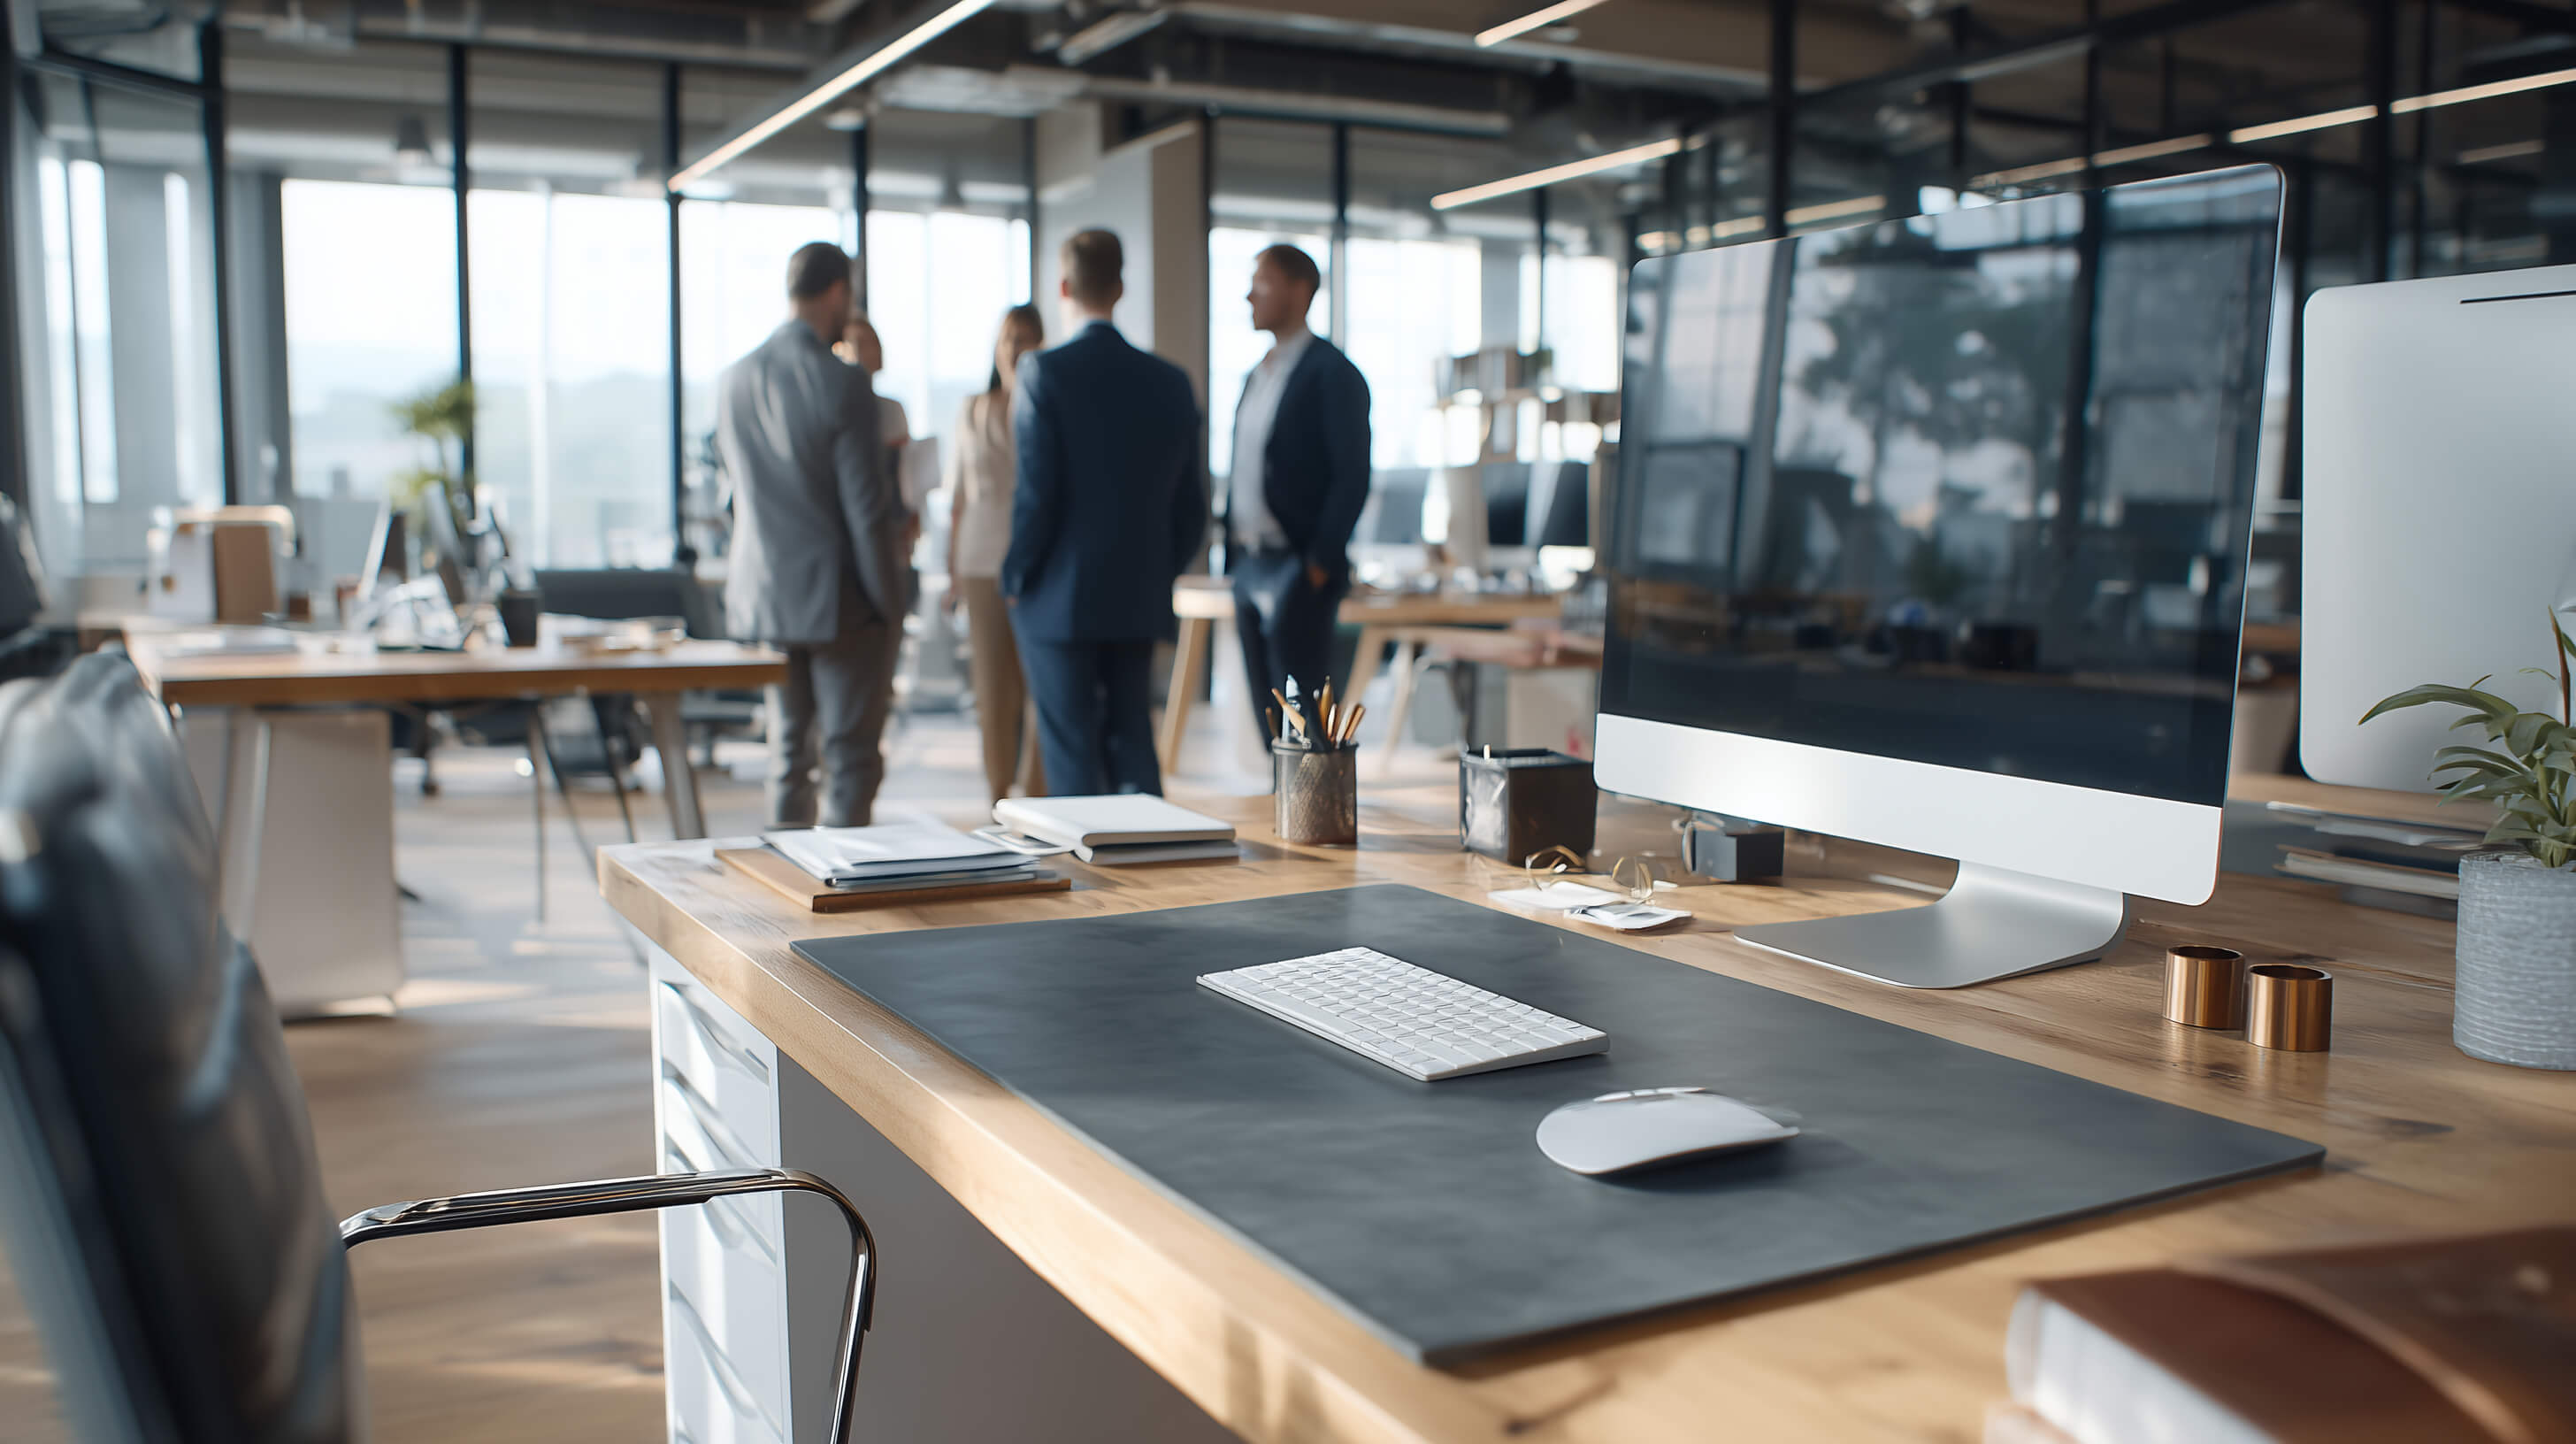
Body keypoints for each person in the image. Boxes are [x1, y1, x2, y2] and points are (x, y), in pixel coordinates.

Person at [1002, 229, 1206, 796]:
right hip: (1137, 591)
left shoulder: (1043, 373)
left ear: (1064, 286)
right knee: (1133, 737)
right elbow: (1192, 507)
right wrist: (1157, 569)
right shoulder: (1170, 383)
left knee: (1071, 751)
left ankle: (1089, 881)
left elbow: (1037, 496)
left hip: (1058, 595)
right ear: (1120, 286)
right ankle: (1158, 874)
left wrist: (1016, 575)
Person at [717, 242, 907, 828]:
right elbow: (867, 511)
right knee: (850, 759)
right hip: (839, 603)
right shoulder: (843, 382)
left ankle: (787, 898)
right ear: (838, 292)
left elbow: (737, 497)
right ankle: (843, 899)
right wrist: (891, 604)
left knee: (788, 758)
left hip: (766, 598)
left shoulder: (733, 379)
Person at [1223, 242, 1371, 747]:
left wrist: (1319, 564)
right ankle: (1278, 815)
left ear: (1298, 290)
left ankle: (1312, 821)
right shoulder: (1255, 375)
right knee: (1268, 717)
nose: (1249, 295)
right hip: (1249, 563)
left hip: (1298, 568)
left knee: (1305, 720)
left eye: (1261, 283)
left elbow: (1352, 476)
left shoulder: (1333, 374)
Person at [944, 304, 1049, 802]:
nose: (1015, 347)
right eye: (1008, 338)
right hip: (980, 561)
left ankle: (1034, 794)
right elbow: (958, 498)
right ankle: (997, 799)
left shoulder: (1049, 406)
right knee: (992, 690)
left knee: (1039, 687)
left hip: (1036, 562)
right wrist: (951, 572)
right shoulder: (971, 408)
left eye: (1026, 338)